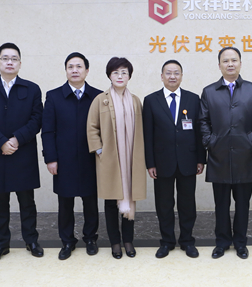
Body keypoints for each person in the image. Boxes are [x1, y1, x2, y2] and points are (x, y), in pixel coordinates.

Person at [0, 42, 44, 265]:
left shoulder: (32, 89)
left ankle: (31, 241)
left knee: (27, 202)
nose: (10, 62)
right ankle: (1, 245)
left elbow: (37, 119)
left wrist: (16, 139)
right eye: (5, 58)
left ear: (20, 63)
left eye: (14, 59)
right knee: (0, 204)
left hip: (23, 153)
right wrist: (1, 142)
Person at [200, 47, 252, 259]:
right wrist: (210, 142)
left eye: (234, 60)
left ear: (240, 63)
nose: (230, 64)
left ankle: (240, 243)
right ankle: (221, 242)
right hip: (218, 156)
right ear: (219, 65)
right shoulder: (209, 91)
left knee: (243, 204)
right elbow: (203, 121)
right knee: (221, 204)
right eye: (226, 61)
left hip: (244, 156)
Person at [42, 52, 102, 260]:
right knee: (65, 203)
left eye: (79, 66)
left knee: (90, 201)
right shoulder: (53, 96)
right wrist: (50, 158)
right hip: (63, 160)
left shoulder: (98, 96)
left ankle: (90, 238)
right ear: (66, 70)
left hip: (90, 159)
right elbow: (48, 131)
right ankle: (67, 241)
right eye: (70, 67)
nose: (75, 70)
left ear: (87, 70)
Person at [143, 60, 206, 259]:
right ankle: (167, 242)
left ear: (181, 76)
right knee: (164, 205)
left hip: (188, 160)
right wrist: (150, 163)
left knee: (187, 204)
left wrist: (201, 159)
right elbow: (147, 135)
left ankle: (187, 241)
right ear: (162, 76)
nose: (172, 76)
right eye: (168, 73)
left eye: (176, 73)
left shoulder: (193, 99)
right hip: (162, 162)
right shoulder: (151, 100)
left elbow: (199, 132)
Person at [87, 57, 146, 259]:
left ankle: (128, 240)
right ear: (109, 76)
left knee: (130, 196)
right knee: (111, 201)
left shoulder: (135, 101)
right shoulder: (100, 100)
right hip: (110, 159)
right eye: (115, 72)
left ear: (129, 76)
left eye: (124, 73)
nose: (120, 76)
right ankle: (115, 242)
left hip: (131, 159)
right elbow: (92, 127)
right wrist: (100, 150)